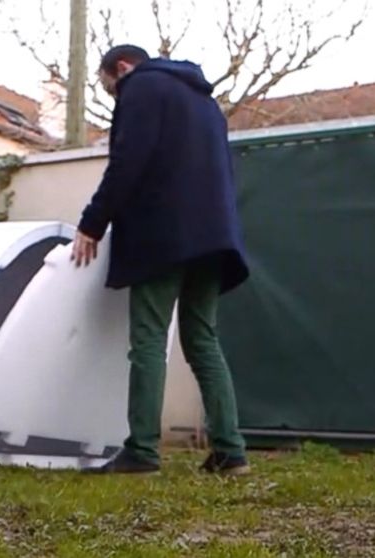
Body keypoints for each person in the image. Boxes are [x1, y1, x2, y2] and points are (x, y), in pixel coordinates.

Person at [72, 45, 250, 476]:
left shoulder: (142, 88)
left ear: (121, 68)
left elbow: (127, 163)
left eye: (108, 87)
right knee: (202, 339)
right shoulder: (204, 100)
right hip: (214, 236)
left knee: (149, 341)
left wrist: (92, 223)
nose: (114, 95)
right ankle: (231, 451)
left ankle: (143, 452)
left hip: (164, 234)